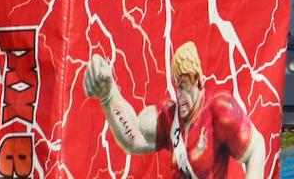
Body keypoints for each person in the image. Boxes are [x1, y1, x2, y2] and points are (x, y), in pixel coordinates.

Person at [83, 41, 266, 179]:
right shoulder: (169, 116)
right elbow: (134, 138)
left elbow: (256, 146)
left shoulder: (219, 110)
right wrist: (108, 95)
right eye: (177, 87)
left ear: (199, 81)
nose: (180, 95)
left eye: (185, 86)